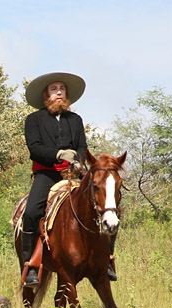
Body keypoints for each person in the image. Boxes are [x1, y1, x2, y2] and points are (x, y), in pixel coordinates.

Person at [20, 72, 117, 286]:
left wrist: (79, 161)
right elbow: (34, 148)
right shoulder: (34, 120)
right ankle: (30, 266)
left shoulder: (75, 120)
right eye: (54, 89)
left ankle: (108, 260)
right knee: (31, 212)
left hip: (74, 172)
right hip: (47, 173)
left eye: (62, 89)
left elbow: (82, 146)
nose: (58, 93)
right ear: (46, 95)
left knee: (107, 206)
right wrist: (58, 155)